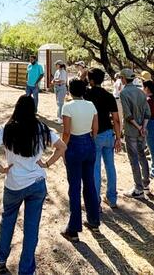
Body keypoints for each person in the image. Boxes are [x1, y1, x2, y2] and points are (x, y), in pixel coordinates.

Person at [0, 95, 67, 275]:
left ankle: (0, 259)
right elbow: (62, 147)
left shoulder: (6, 128)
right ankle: (26, 269)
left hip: (14, 183)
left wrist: (0, 168)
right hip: (37, 183)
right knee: (31, 228)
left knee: (8, 221)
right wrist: (47, 164)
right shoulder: (42, 128)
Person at [60, 79, 100, 242]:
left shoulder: (67, 106)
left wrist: (63, 149)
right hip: (89, 143)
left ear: (70, 90)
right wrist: (89, 141)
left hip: (74, 145)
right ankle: (94, 221)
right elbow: (95, 129)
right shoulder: (90, 105)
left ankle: (73, 228)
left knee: (74, 187)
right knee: (89, 184)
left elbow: (67, 132)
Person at [84, 68, 122, 209]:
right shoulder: (109, 95)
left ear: (91, 80)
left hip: (94, 134)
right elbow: (116, 119)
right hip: (109, 133)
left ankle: (96, 202)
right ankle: (112, 199)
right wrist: (118, 138)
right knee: (110, 166)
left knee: (95, 169)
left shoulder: (87, 94)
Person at [119, 68, 151, 199]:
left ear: (124, 79)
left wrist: (138, 127)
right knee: (142, 155)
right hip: (142, 130)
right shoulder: (141, 92)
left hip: (132, 131)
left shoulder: (124, 93)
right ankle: (146, 185)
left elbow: (128, 115)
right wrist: (143, 127)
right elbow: (147, 113)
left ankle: (138, 189)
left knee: (134, 159)